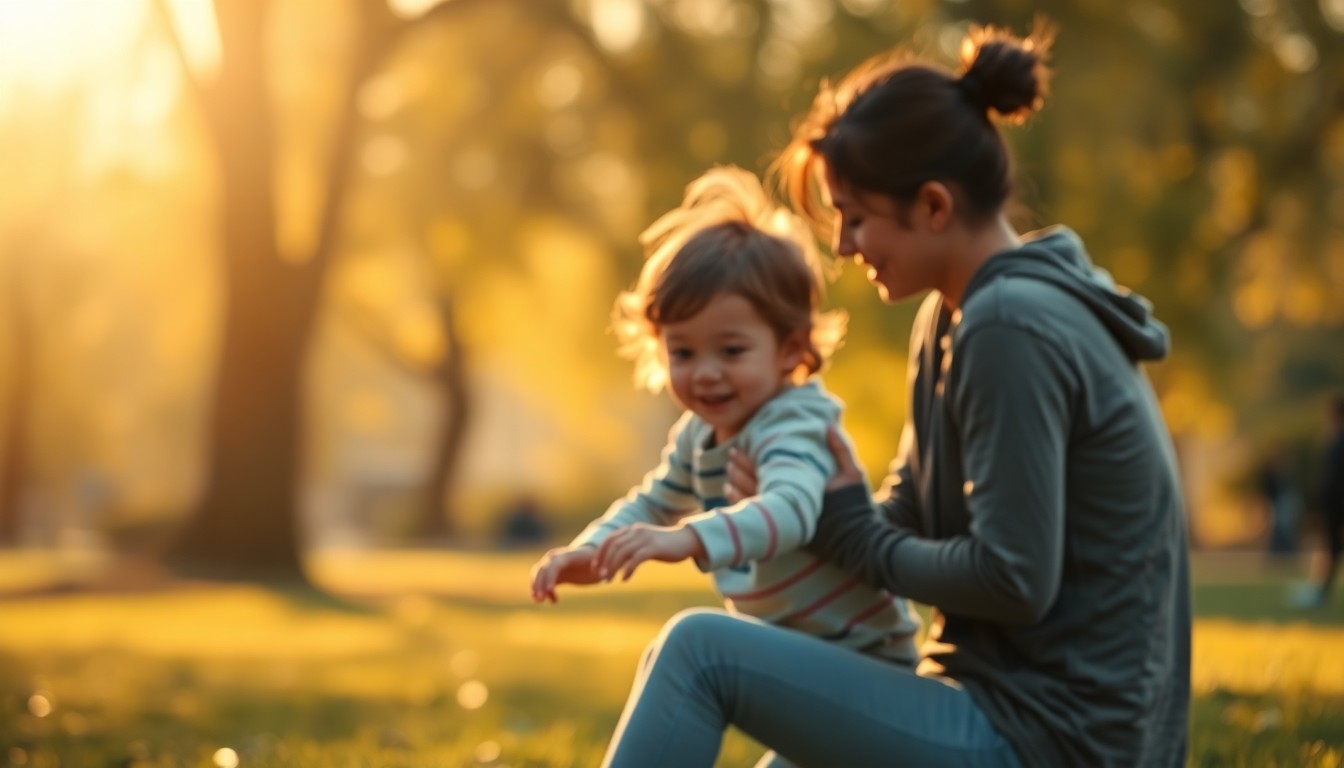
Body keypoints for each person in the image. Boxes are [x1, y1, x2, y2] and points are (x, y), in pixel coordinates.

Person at [596, 22, 1191, 768]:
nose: (843, 246)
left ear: (934, 206)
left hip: (1053, 742)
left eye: (855, 217)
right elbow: (902, 514)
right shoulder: (951, 315)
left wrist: (847, 531)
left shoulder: (1012, 326)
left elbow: (1013, 582)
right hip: (981, 704)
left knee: (700, 651)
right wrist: (804, 505)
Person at [529, 166, 921, 669]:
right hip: (799, 659)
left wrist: (685, 539)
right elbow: (653, 504)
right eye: (683, 352)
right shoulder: (698, 435)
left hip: (866, 662)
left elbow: (790, 509)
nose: (706, 374)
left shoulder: (794, 419)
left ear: (789, 349)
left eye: (732, 350)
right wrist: (591, 551)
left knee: (692, 646)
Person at [1295, 393, 1344, 607]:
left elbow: (1331, 478)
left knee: (1331, 548)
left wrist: (1319, 505)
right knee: (1331, 549)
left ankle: (1320, 592)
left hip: (1336, 505)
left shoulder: (1337, 443)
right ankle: (1320, 590)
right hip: (1335, 504)